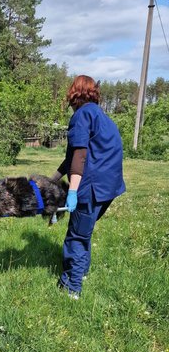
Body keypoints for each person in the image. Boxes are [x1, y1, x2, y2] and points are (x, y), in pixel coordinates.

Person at [51, 75, 126, 299]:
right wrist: (51, 180)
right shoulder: (100, 115)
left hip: (92, 188)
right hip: (109, 187)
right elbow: (72, 157)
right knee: (84, 231)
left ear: (74, 93)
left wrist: (72, 191)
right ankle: (81, 273)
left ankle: (71, 288)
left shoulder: (82, 115)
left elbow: (80, 156)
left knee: (75, 237)